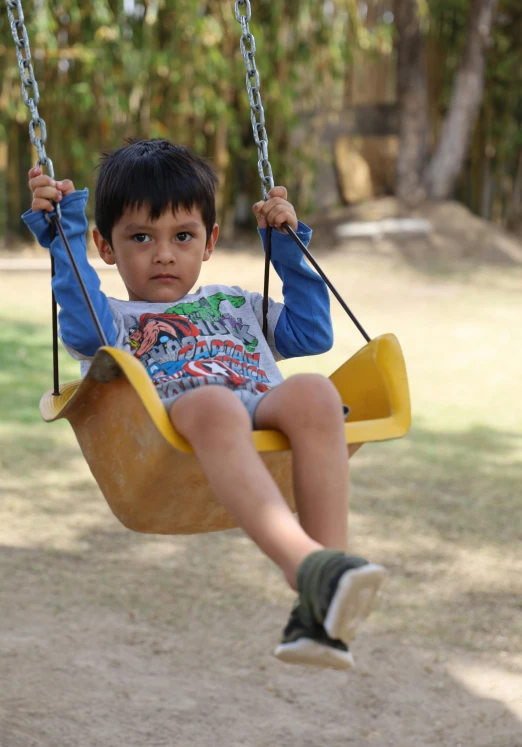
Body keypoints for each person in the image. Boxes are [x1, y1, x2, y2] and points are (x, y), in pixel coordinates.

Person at [23, 138, 385, 670]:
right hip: (173, 434)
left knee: (315, 391)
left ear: (209, 240)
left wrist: (285, 246)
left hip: (257, 412)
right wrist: (62, 232)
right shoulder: (113, 320)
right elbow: (80, 315)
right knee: (214, 403)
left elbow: (311, 333)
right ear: (106, 247)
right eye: (141, 237)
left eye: (183, 235)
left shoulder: (237, 303)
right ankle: (309, 567)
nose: (164, 252)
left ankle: (323, 592)